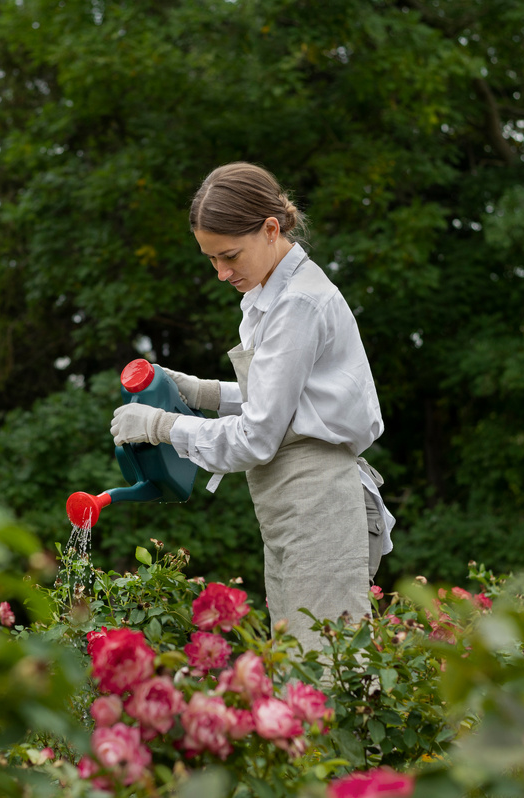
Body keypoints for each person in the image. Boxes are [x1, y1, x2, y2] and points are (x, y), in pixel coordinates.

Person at [110, 162, 395, 652]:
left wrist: (162, 425)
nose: (221, 273)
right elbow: (290, 401)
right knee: (294, 666)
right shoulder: (272, 294)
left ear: (270, 229)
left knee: (324, 670)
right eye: (210, 259)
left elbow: (259, 436)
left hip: (318, 501)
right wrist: (204, 392)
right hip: (292, 503)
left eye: (229, 256)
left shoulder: (297, 304)